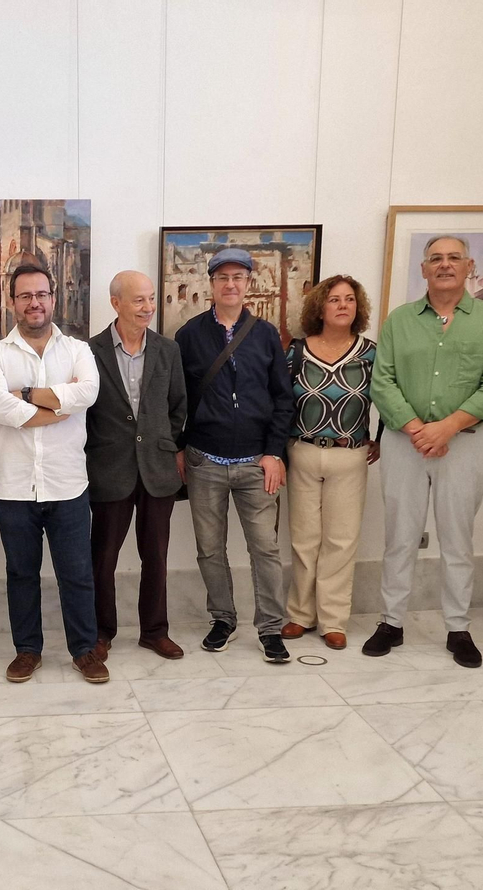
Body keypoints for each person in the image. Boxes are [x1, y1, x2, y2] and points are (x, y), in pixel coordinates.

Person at [366, 235, 483, 668]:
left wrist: (446, 427)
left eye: (453, 258)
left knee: (458, 539)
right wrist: (417, 429)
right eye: (435, 259)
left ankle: (458, 627)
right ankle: (391, 622)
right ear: (423, 270)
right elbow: (383, 380)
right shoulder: (399, 320)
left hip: (462, 445)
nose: (444, 265)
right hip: (403, 443)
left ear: (469, 267)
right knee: (400, 536)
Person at [0, 264, 107, 684]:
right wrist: (58, 409)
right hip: (13, 484)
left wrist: (28, 398)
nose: (34, 303)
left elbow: (87, 393)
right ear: (13, 302)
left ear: (54, 298)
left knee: (77, 572)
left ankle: (85, 650)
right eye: (25, 296)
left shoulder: (77, 350)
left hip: (67, 482)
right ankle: (27, 650)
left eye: (41, 294)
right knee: (20, 573)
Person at [173, 247, 296, 663]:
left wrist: (274, 453)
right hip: (205, 460)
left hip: (255, 463)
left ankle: (270, 628)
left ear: (248, 284)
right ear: (211, 284)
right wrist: (178, 448)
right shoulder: (189, 336)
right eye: (222, 277)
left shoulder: (265, 335)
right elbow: (178, 401)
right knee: (210, 548)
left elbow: (283, 398)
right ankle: (222, 618)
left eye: (238, 277)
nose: (230, 284)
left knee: (265, 549)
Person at [86, 270, 187, 661]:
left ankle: (155, 631)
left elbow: (178, 406)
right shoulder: (90, 351)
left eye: (150, 299)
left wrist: (166, 444)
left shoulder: (168, 350)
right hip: (109, 469)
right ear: (116, 303)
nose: (147, 307)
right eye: (138, 300)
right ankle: (100, 632)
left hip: (157, 471)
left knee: (156, 557)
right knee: (102, 559)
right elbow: (85, 414)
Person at [282, 275, 380, 652]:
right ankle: (300, 614)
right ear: (319, 307)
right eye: (334, 299)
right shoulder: (297, 351)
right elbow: (281, 401)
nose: (342, 305)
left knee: (341, 540)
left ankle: (333, 620)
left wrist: (382, 437)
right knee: (304, 539)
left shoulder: (371, 353)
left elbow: (388, 394)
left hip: (350, 454)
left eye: (350, 300)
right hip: (303, 451)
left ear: (358, 308)